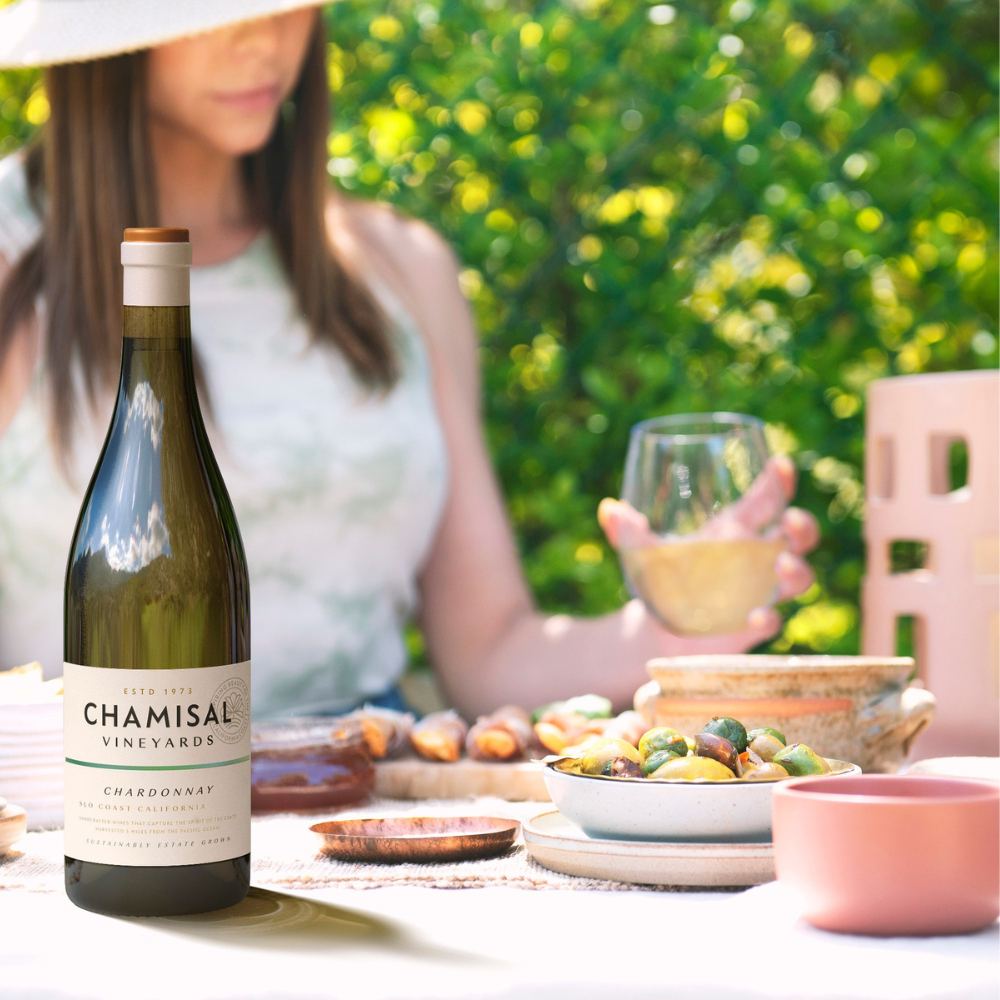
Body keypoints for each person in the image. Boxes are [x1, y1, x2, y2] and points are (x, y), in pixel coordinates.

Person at [0, 1, 818, 720]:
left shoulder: (395, 266)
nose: (262, 40)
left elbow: (489, 655)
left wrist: (676, 625)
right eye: (209, 10)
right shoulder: (12, 252)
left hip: (367, 813)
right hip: (92, 821)